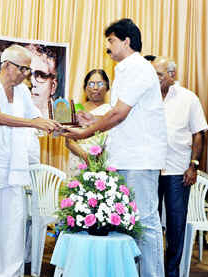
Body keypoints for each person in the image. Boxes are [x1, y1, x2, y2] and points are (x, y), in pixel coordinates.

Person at [61, 18, 168, 277]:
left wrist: (86, 131)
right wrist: (92, 120)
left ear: (126, 41)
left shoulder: (139, 68)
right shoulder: (125, 69)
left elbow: (119, 113)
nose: (107, 47)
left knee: (146, 223)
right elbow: (123, 116)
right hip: (125, 157)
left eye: (111, 41)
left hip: (139, 159)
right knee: (128, 222)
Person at [0, 44, 60, 277]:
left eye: (28, 70)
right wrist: (34, 123)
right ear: (7, 65)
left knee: (12, 227)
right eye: (23, 69)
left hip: (14, 169)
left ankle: (10, 273)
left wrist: (55, 125)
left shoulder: (22, 92)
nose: (26, 74)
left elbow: (35, 116)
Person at [152, 56, 207, 277]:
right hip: (150, 169)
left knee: (175, 225)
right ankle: (152, 270)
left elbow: (199, 133)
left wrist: (193, 165)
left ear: (171, 75)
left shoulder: (188, 98)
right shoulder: (148, 97)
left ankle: (172, 270)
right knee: (151, 224)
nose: (154, 79)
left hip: (177, 172)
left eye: (159, 75)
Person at [65, 69, 111, 175]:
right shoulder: (76, 110)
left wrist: (97, 159)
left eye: (100, 83)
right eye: (91, 84)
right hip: (77, 161)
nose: (95, 88)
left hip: (102, 163)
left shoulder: (112, 112)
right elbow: (69, 141)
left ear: (107, 87)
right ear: (85, 88)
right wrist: (86, 157)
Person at [27, 44, 58, 119]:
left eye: (41, 75)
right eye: (25, 72)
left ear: (53, 86)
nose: (32, 82)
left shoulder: (62, 117)